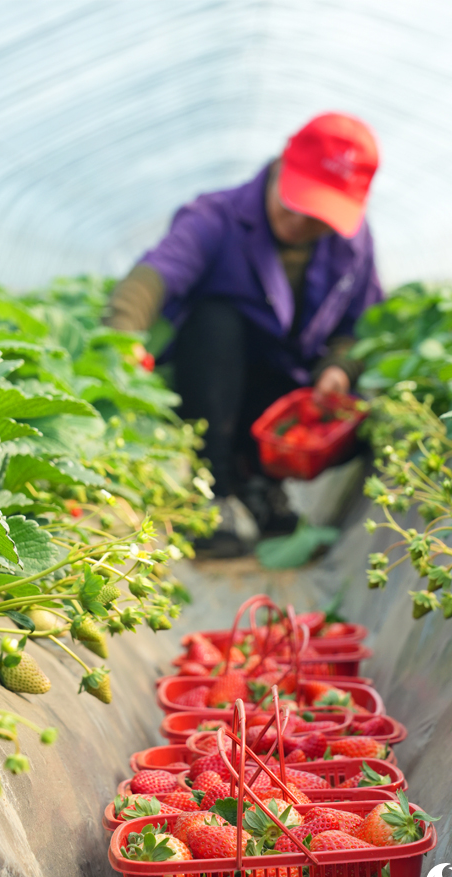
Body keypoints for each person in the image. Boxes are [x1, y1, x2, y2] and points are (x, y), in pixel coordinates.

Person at [106, 112, 383, 556]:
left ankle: (260, 486)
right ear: (279, 167)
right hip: (211, 388)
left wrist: (339, 367)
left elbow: (362, 326)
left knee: (366, 416)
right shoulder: (217, 217)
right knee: (215, 319)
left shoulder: (351, 245)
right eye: (296, 203)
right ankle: (212, 493)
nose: (300, 222)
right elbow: (155, 275)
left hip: (284, 393)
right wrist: (122, 338)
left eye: (318, 216)